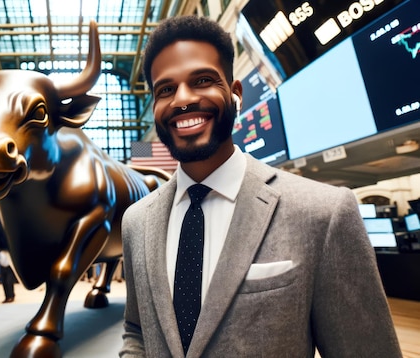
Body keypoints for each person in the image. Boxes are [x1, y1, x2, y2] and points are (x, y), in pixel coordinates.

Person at [119, 15, 402, 357]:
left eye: (203, 80)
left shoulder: (322, 214)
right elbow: (136, 328)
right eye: (166, 89)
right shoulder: (136, 222)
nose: (182, 100)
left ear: (235, 93)